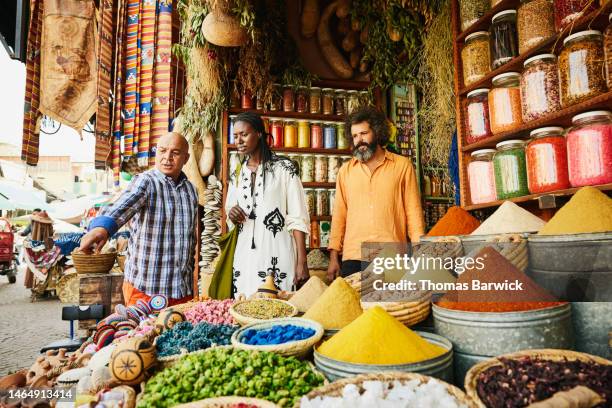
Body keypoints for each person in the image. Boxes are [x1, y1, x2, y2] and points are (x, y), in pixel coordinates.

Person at [78, 132, 198, 306]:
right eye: (162, 151)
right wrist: (101, 228)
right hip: (145, 290)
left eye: (175, 153)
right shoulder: (146, 182)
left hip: (181, 289)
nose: (167, 157)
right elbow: (121, 206)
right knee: (142, 333)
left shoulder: (191, 191)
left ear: (185, 158)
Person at [327, 106, 425, 280]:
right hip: (353, 256)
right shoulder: (345, 172)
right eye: (355, 136)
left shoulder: (402, 166)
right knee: (355, 307)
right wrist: (334, 256)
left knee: (389, 307)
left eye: (364, 133)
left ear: (377, 132)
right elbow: (339, 216)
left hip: (391, 255)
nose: (359, 140)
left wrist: (419, 252)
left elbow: (413, 213)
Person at [225, 112, 310, 297]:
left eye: (244, 135)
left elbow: (298, 216)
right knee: (245, 306)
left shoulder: (284, 168)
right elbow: (229, 210)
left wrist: (302, 261)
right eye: (236, 136)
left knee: (279, 306)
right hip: (245, 255)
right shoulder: (237, 173)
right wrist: (232, 213)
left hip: (278, 252)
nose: (238, 140)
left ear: (259, 134)